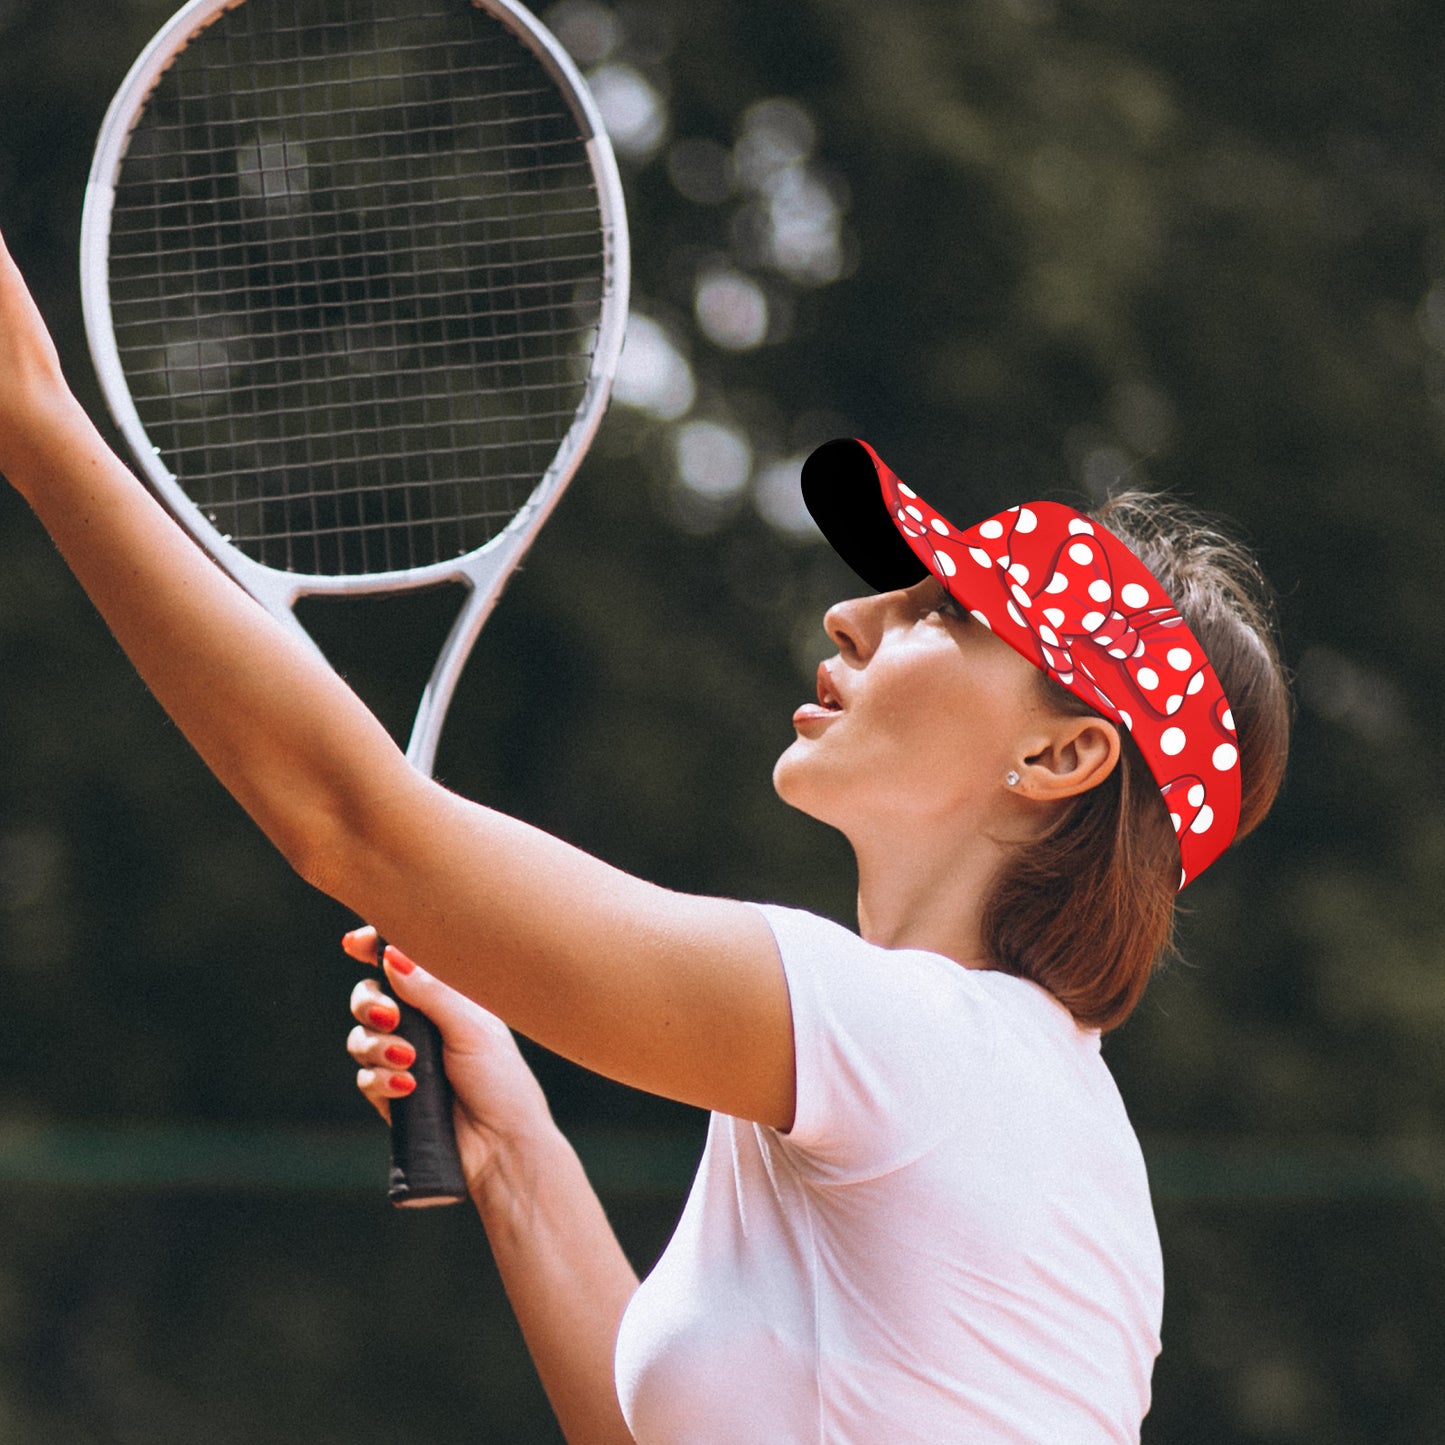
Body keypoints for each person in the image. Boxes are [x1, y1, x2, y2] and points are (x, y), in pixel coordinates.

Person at [0, 225, 1289, 1443]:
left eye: (941, 615)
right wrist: (517, 1157)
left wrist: (38, 421)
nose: (852, 621)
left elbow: (351, 823)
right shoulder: (973, 1087)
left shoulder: (911, 1047)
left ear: (1062, 755)